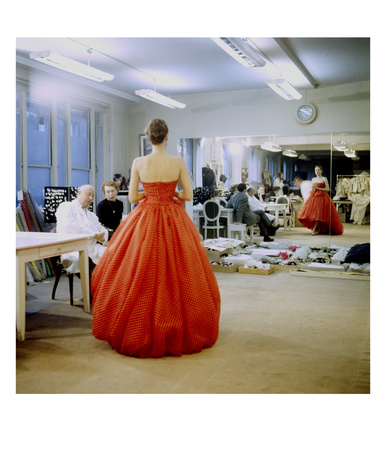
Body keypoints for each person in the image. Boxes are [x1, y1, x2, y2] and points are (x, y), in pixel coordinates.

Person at [91, 119, 221, 358]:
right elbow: (189, 195)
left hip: (146, 216)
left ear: (148, 138)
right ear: (167, 137)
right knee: (179, 270)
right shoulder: (178, 161)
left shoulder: (139, 162)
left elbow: (131, 198)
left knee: (141, 268)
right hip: (173, 217)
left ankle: (141, 323)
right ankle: (176, 320)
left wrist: (150, 191)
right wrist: (170, 192)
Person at [55, 184, 109, 273]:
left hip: (91, 247)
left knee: (113, 255)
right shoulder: (66, 206)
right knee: (78, 260)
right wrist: (93, 233)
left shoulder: (91, 215)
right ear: (79, 193)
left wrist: (102, 235)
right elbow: (69, 225)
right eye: (88, 194)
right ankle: (90, 285)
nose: (91, 198)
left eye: (93, 196)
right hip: (72, 248)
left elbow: (102, 228)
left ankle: (105, 284)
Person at [297, 165, 344, 235]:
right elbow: (313, 189)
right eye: (316, 170)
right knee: (315, 214)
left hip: (322, 197)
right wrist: (313, 188)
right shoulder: (313, 179)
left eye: (318, 170)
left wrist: (318, 188)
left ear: (321, 171)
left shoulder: (324, 179)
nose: (317, 172)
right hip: (314, 197)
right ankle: (317, 229)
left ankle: (315, 229)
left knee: (319, 214)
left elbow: (327, 189)